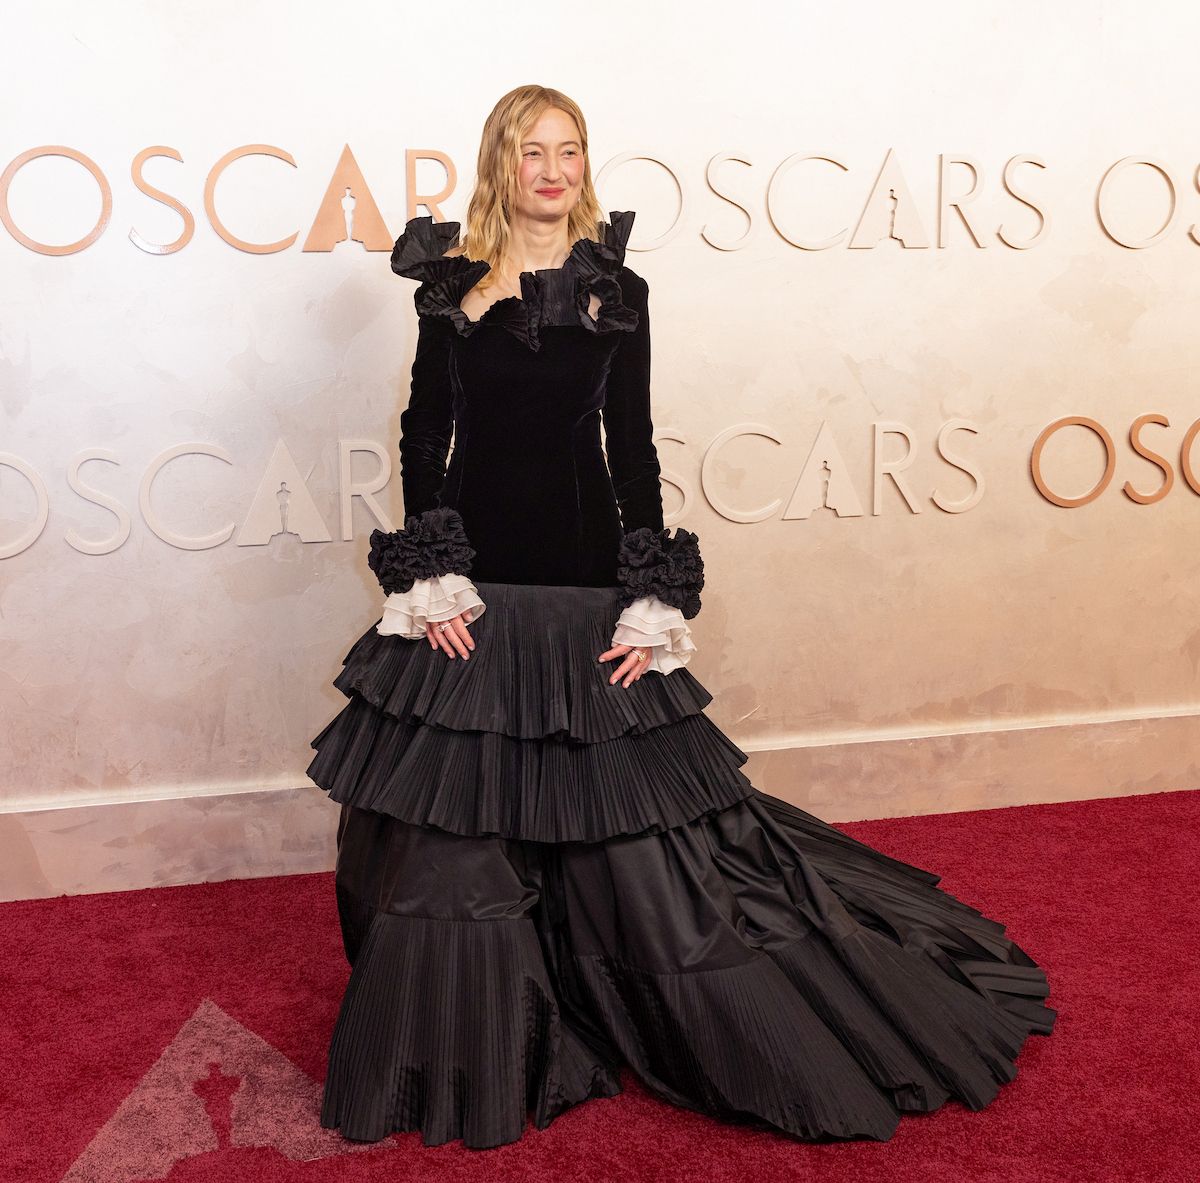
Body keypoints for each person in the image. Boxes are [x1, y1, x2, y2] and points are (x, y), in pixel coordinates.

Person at [306, 84, 1056, 1151]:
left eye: (569, 150)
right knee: (449, 841)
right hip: (476, 594)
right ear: (500, 164)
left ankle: (643, 1007)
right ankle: (478, 1049)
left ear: (583, 164)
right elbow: (425, 434)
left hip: (583, 585)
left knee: (637, 849)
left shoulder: (621, 292)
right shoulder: (447, 284)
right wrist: (431, 577)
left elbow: (636, 447)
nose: (553, 170)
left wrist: (649, 591)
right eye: (531, 151)